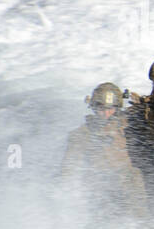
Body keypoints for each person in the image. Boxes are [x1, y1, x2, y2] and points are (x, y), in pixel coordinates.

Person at [61, 82, 149, 217]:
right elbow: (69, 166)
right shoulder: (82, 134)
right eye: (102, 109)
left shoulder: (129, 124)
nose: (106, 113)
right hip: (100, 185)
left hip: (131, 185)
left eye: (111, 108)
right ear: (94, 108)